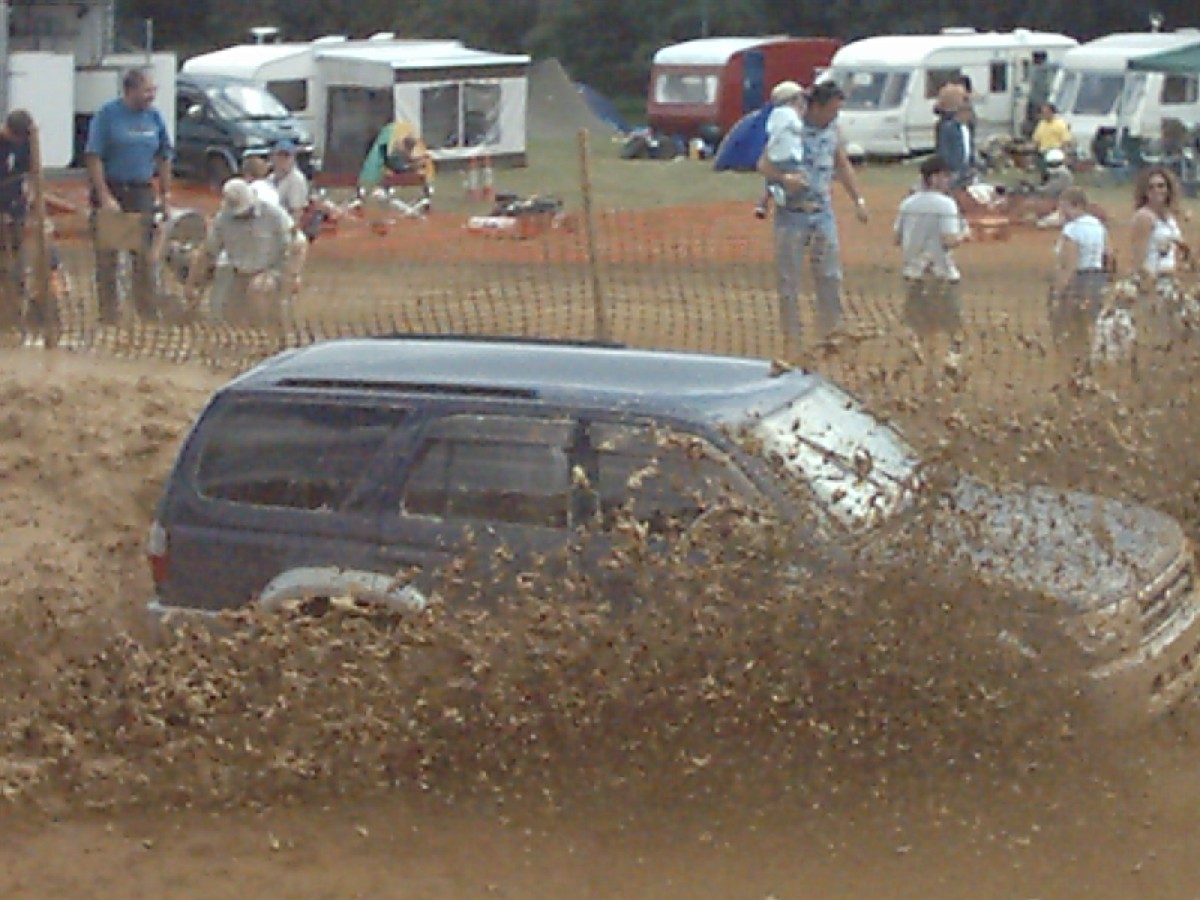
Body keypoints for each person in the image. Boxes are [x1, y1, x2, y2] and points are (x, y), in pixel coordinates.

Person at [756, 80, 869, 355]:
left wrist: (858, 200)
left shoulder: (832, 130)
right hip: (792, 214)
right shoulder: (791, 127)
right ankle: (792, 339)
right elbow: (764, 164)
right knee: (789, 281)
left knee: (830, 275)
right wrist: (784, 179)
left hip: (822, 212)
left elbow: (841, 164)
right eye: (832, 110)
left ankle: (831, 333)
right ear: (816, 107)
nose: (835, 115)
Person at [84, 67, 173, 325]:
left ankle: (146, 311)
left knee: (144, 255)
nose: (151, 96)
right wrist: (104, 196)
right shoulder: (108, 115)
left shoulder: (154, 117)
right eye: (147, 91)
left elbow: (164, 156)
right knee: (108, 256)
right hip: (113, 188)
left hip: (141, 190)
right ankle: (109, 314)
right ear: (130, 90)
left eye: (154, 90)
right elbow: (94, 156)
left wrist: (165, 194)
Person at [186, 177, 297, 333]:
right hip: (238, 272)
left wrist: (291, 275)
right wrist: (192, 283)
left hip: (270, 271)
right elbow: (207, 253)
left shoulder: (274, 215)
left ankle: (265, 331)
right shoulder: (223, 220)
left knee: (257, 290)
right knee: (222, 311)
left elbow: (297, 244)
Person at [894, 155, 969, 380]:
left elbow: (896, 238)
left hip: (913, 272)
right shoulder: (946, 205)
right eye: (945, 176)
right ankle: (951, 360)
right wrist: (965, 234)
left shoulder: (908, 204)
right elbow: (949, 240)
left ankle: (920, 359)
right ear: (933, 178)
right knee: (955, 327)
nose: (949, 180)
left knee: (915, 324)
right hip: (941, 273)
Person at [1129, 164, 1191, 344]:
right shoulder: (1144, 217)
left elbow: (1181, 249)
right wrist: (1148, 288)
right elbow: (1138, 259)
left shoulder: (1170, 218)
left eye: (1161, 185)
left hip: (1171, 282)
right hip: (1153, 282)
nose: (1157, 190)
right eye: (1151, 187)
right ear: (1145, 192)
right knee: (1157, 336)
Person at [1050, 186, 1109, 366]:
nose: (1062, 213)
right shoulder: (1098, 226)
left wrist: (1058, 292)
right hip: (1098, 279)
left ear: (1076, 205)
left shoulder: (1072, 229)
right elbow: (1108, 255)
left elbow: (1069, 265)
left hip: (1078, 281)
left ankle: (1075, 362)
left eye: (1064, 207)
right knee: (1093, 323)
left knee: (1070, 325)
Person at [753, 80, 805, 220]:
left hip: (775, 153)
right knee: (797, 177)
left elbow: (771, 131)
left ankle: (762, 204)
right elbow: (799, 128)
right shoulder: (789, 113)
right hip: (789, 154)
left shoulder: (775, 114)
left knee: (771, 179)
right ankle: (791, 201)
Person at [0, 110, 32, 324]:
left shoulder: (27, 143)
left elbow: (27, 172)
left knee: (17, 256)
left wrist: (29, 195)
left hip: (16, 205)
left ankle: (16, 308)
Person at [937, 102, 978, 188]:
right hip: (954, 169)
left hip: (967, 168)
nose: (970, 117)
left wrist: (973, 164)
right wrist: (949, 166)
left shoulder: (967, 128)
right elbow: (943, 149)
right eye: (968, 114)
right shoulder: (948, 127)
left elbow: (970, 147)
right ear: (961, 113)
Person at [268, 139, 310, 220]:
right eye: (279, 155)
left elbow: (297, 212)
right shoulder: (270, 178)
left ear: (293, 159)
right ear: (272, 157)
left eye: (286, 156)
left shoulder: (296, 179)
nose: (282, 159)